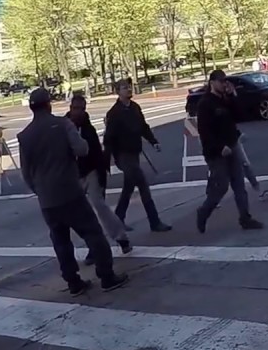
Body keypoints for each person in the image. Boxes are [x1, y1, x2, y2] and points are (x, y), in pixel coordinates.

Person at [17, 88, 129, 296]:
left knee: (60, 242)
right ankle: (106, 276)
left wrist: (40, 191)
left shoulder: (25, 136)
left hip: (47, 199)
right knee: (92, 233)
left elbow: (26, 173)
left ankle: (73, 282)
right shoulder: (62, 125)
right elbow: (82, 149)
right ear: (48, 104)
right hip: (70, 191)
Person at [194, 70, 265, 234]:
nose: (224, 83)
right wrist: (219, 147)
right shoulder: (205, 103)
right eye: (220, 81)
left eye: (225, 80)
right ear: (212, 83)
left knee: (239, 184)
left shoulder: (225, 100)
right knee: (221, 187)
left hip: (232, 146)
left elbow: (240, 116)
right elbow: (205, 131)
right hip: (216, 152)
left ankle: (245, 218)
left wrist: (233, 96)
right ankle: (203, 212)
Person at [66, 93, 133, 263]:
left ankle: (121, 237)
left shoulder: (88, 129)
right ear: (70, 108)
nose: (77, 112)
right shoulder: (64, 127)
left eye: (80, 109)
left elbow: (96, 153)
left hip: (91, 171)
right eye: (75, 109)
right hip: (74, 175)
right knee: (81, 214)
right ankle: (94, 246)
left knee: (100, 206)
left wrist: (102, 175)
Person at [103, 79, 171, 233]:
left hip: (134, 153)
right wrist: (107, 161)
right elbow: (108, 139)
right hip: (123, 155)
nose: (128, 90)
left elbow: (143, 127)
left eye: (129, 87)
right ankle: (154, 222)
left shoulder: (135, 108)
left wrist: (153, 142)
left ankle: (118, 219)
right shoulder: (114, 113)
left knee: (128, 187)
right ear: (117, 92)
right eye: (124, 88)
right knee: (142, 184)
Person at [224, 80, 268, 199]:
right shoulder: (214, 101)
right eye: (223, 85)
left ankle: (259, 190)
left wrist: (233, 95)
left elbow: (238, 114)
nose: (226, 88)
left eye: (227, 85)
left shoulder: (229, 99)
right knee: (219, 171)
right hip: (221, 141)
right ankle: (213, 196)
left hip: (232, 138)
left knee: (245, 164)